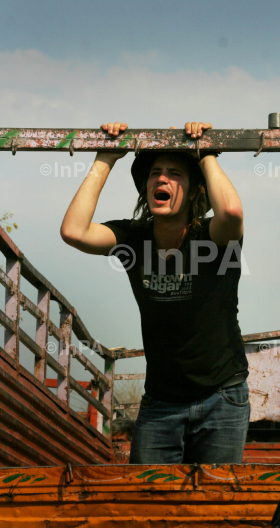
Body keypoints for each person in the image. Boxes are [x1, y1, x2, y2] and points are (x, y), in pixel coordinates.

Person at [60, 120, 250, 464]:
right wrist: (106, 157)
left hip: (222, 396)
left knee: (213, 510)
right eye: (155, 173)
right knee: (149, 506)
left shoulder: (213, 238)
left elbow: (233, 212)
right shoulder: (134, 238)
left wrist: (205, 152)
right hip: (160, 402)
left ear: (194, 191)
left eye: (175, 173)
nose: (161, 179)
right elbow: (74, 231)